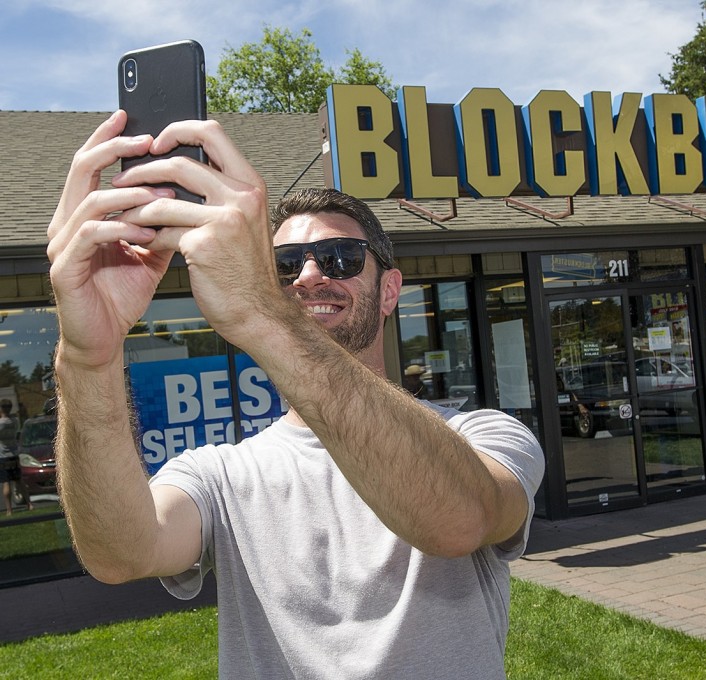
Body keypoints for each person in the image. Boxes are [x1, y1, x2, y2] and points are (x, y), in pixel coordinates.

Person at [46, 111, 545, 679]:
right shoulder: (223, 475)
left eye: (340, 258)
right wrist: (89, 357)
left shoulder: (482, 437)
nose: (308, 276)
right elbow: (120, 553)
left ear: (389, 292)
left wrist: (263, 310)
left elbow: (457, 521)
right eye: (283, 265)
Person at [0, 398, 32, 516]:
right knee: (19, 481)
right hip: (14, 454)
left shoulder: (1, 423)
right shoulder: (15, 421)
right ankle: (29, 504)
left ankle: (9, 510)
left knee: (6, 482)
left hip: (3, 456)